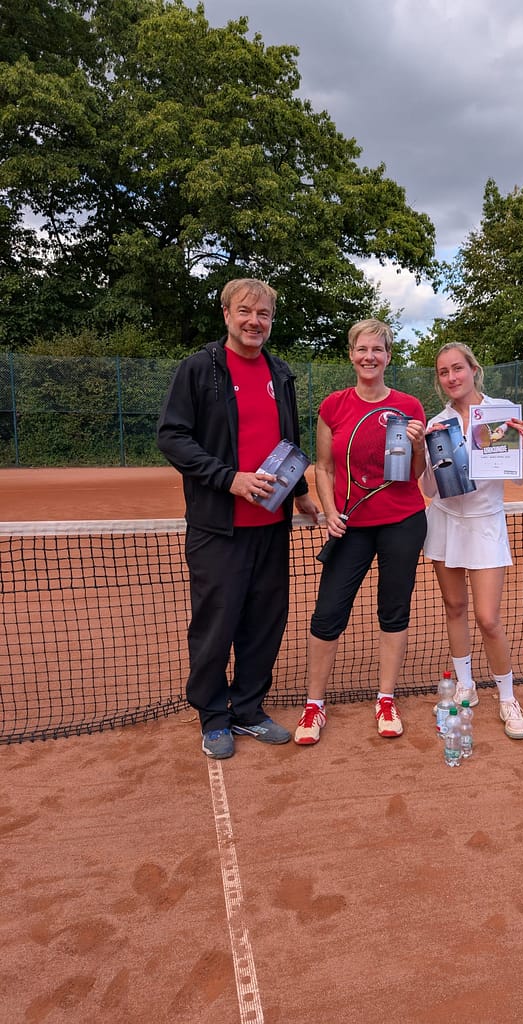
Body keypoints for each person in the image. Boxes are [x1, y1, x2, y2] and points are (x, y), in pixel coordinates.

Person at [157, 278, 319, 759]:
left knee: (265, 622)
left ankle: (248, 708)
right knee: (216, 625)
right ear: (226, 314)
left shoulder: (280, 372)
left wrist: (301, 492)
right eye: (245, 311)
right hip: (218, 529)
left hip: (272, 527)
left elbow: (287, 440)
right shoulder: (198, 369)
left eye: (263, 314)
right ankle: (213, 716)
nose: (254, 321)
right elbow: (172, 437)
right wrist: (230, 479)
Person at [294, 319, 427, 745]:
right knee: (328, 613)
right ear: (351, 354)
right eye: (362, 349)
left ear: (388, 356)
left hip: (403, 521)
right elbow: (324, 467)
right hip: (349, 525)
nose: (370, 356)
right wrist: (331, 512)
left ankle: (386, 699)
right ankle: (314, 704)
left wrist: (419, 444)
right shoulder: (333, 406)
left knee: (394, 610)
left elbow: (416, 473)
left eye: (378, 349)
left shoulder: (409, 405)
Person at [421, 342, 523, 740]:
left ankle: (508, 697)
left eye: (457, 368)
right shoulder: (437, 422)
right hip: (445, 522)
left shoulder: (501, 414)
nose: (451, 377)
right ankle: (466, 685)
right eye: (443, 372)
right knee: (454, 608)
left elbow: (520, 478)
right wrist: (428, 451)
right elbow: (429, 489)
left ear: (473, 369)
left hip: (486, 524)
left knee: (488, 619)